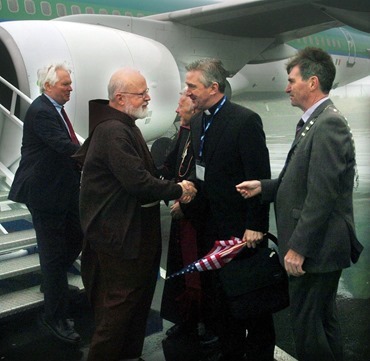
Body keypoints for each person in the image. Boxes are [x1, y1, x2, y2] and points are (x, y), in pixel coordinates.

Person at [236, 47, 364, 361]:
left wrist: (299, 248)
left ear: (312, 82)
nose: (287, 87)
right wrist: (264, 187)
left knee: (308, 328)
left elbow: (321, 196)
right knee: (323, 323)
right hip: (319, 247)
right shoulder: (314, 122)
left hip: (316, 250)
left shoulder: (326, 125)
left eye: (292, 80)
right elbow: (301, 180)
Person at [75, 68, 197, 361]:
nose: (148, 97)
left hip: (129, 233)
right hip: (121, 237)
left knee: (135, 303)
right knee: (119, 308)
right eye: (141, 93)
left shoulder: (123, 125)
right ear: (120, 97)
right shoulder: (114, 131)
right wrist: (179, 190)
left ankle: (129, 355)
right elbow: (138, 182)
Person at [185, 58, 274, 361]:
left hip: (240, 231)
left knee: (252, 301)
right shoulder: (198, 121)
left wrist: (257, 226)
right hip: (208, 227)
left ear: (213, 87)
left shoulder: (245, 121)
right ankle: (230, 350)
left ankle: (261, 354)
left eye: (192, 86)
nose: (188, 92)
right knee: (219, 301)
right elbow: (200, 170)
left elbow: (259, 176)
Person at [8, 63, 83, 344]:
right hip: (44, 194)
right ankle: (55, 318)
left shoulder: (54, 109)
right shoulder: (41, 111)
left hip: (62, 191)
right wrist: (99, 154)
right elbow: (65, 146)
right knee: (52, 257)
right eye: (65, 84)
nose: (70, 88)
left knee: (78, 236)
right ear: (49, 85)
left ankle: (52, 283)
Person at [159, 91, 210, 342]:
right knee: (182, 269)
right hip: (182, 209)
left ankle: (204, 324)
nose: (177, 112)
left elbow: (205, 179)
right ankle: (187, 320)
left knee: (197, 272)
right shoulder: (184, 133)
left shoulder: (203, 135)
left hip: (197, 214)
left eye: (181, 106)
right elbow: (170, 167)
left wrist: (186, 206)